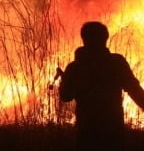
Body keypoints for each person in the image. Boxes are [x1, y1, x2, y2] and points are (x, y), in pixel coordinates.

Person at [59, 21, 144, 151]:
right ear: (105, 38)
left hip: (87, 128)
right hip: (113, 127)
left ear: (84, 39)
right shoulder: (116, 62)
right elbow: (133, 88)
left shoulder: (75, 67)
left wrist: (64, 79)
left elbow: (65, 96)